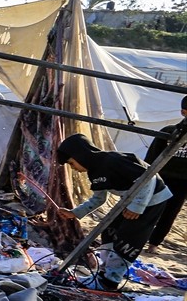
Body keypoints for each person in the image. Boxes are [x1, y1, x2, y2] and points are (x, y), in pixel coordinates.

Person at [54, 133, 172, 290]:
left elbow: (148, 178)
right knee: (109, 232)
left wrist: (137, 206)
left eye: (72, 163)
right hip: (130, 200)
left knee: (127, 239)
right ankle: (104, 274)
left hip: (152, 200)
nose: (73, 168)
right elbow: (98, 199)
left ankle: (111, 282)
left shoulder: (113, 160)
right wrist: (75, 212)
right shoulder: (94, 172)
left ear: (81, 155)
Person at [143, 94, 187, 250]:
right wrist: (146, 176)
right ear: (183, 112)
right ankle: (139, 238)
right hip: (162, 177)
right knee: (148, 208)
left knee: (170, 213)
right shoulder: (168, 131)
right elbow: (151, 156)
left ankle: (154, 243)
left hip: (183, 181)